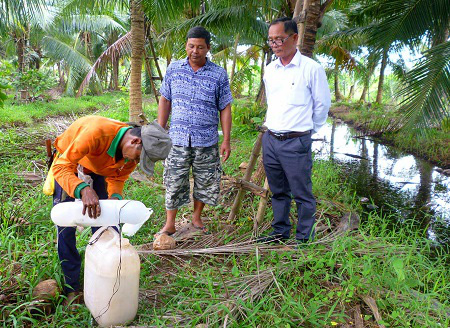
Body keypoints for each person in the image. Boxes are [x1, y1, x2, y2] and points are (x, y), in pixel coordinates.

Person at [51, 115, 171, 305]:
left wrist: (114, 200)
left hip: (100, 169)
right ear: (135, 141)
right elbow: (61, 167)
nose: (136, 162)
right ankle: (71, 287)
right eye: (139, 157)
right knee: (66, 227)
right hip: (70, 165)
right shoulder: (96, 133)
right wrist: (83, 189)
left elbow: (117, 178)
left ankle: (111, 278)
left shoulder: (130, 154)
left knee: (108, 228)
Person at [258, 17, 331, 245]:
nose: (275, 44)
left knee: (302, 193)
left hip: (296, 141)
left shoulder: (311, 69)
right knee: (278, 191)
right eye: (271, 40)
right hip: (271, 140)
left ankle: (304, 238)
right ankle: (280, 232)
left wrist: (307, 131)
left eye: (280, 39)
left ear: (295, 38)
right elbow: (273, 103)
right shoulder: (270, 70)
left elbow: (322, 106)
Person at [156, 26, 233, 237]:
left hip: (206, 139)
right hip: (177, 139)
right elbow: (165, 99)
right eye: (191, 46)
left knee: (205, 181)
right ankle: (170, 223)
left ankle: (196, 219)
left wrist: (226, 139)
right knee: (173, 180)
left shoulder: (218, 74)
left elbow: (225, 107)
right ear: (186, 46)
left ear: (208, 48)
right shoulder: (174, 69)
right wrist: (160, 130)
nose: (195, 51)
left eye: (200, 47)